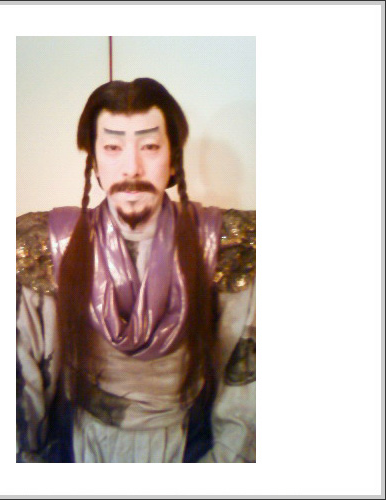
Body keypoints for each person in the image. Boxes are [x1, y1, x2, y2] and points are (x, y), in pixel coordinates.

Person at [16, 77, 256, 463]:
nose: (131, 167)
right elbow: (23, 386)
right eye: (113, 148)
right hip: (82, 446)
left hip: (186, 448)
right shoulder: (50, 247)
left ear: (173, 159)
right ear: (94, 162)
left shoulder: (219, 246)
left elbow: (243, 391)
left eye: (150, 146)